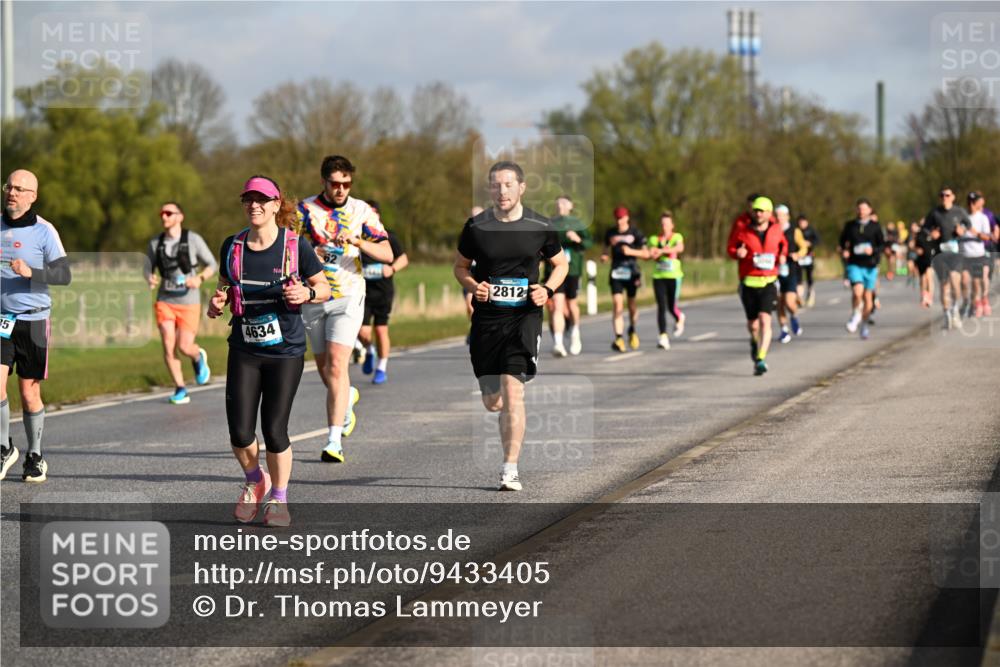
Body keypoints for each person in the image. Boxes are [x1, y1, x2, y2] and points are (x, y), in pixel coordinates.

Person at [207, 175, 329, 527]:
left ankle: (279, 498)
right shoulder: (232, 246)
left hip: (285, 349)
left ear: (277, 205)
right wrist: (216, 303)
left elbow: (323, 287)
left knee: (275, 430)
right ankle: (253, 480)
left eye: (262, 199)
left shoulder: (295, 246)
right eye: (248, 199)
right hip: (244, 347)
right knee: (240, 433)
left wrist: (306, 294)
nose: (254, 205)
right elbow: (224, 287)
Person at [453, 161, 567, 491]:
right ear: (489, 189)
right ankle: (494, 399)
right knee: (495, 401)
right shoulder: (476, 226)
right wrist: (475, 287)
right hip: (487, 320)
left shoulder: (540, 225)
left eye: (508, 185)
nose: (502, 191)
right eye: (496, 185)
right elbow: (460, 267)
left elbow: (560, 264)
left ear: (521, 187)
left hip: (524, 317)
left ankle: (510, 468)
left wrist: (547, 289)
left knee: (513, 391)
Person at [297, 155, 392, 463]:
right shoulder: (305, 210)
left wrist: (358, 241)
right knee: (326, 370)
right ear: (323, 181)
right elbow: (286, 248)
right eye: (335, 184)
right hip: (314, 297)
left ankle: (333, 441)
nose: (340, 190)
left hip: (349, 295)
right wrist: (313, 251)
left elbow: (387, 253)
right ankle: (347, 397)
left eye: (346, 184)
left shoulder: (362, 210)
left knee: (338, 366)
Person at [0, 169, 72, 483]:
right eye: (8, 186)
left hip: (35, 320)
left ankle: (35, 455)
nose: (11, 192)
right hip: (2, 319)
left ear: (32, 196)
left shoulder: (45, 231)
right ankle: (4, 447)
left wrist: (32, 272)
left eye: (19, 188)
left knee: (29, 394)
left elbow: (64, 275)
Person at [144, 202, 218, 405]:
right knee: (168, 343)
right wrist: (149, 278)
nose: (164, 216)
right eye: (162, 213)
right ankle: (180, 388)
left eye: (169, 213)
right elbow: (147, 267)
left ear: (180, 216)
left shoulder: (193, 239)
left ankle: (197, 357)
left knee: (185, 346)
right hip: (165, 300)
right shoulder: (155, 243)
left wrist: (199, 279)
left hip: (188, 301)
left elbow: (212, 264)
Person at [727, 196, 786, 376]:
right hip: (749, 282)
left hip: (768, 280)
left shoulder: (776, 230)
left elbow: (784, 245)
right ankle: (754, 342)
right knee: (753, 325)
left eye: (762, 211)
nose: (758, 214)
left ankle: (761, 358)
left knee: (765, 319)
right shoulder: (743, 231)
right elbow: (731, 248)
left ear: (769, 213)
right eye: (756, 211)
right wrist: (738, 252)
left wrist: (782, 256)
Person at [358, 200, 408, 384]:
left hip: (383, 291)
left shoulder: (388, 236)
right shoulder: (357, 236)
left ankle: (381, 367)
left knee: (380, 330)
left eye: (373, 213)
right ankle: (369, 350)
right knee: (362, 332)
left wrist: (392, 269)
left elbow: (403, 259)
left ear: (378, 215)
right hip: (362, 291)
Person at [545, 195, 591, 357]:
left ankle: (575, 333)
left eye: (564, 203)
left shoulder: (577, 223)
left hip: (573, 269)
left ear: (571, 206)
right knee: (557, 305)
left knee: (571, 303)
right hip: (554, 270)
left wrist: (578, 239)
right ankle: (558, 343)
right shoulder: (550, 223)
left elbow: (588, 242)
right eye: (558, 203)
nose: (561, 206)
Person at [923, 187, 971, 329]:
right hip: (940, 252)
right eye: (942, 195)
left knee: (955, 283)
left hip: (955, 251)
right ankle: (947, 315)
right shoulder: (935, 212)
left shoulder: (959, 211)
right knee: (944, 285)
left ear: (953, 197)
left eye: (947, 195)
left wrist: (962, 230)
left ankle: (955, 308)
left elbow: (968, 224)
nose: (944, 197)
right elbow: (925, 227)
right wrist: (932, 233)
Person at [602, 206, 649, 351]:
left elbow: (646, 254)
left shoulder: (636, 233)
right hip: (616, 272)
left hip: (632, 272)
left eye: (622, 218)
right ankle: (619, 338)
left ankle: (633, 330)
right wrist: (604, 256)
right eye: (617, 218)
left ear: (627, 217)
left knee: (631, 305)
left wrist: (631, 251)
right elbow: (605, 249)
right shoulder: (610, 233)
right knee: (617, 304)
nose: (619, 221)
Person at [839, 198, 885, 340]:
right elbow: (842, 242)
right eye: (859, 208)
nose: (861, 211)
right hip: (854, 263)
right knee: (857, 291)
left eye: (864, 209)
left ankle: (864, 324)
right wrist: (844, 251)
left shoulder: (875, 226)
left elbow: (882, 245)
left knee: (867, 298)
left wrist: (873, 250)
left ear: (870, 210)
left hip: (870, 265)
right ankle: (855, 314)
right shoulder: (850, 226)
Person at [646, 211, 686, 350]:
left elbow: (680, 247)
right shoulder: (654, 239)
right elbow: (651, 251)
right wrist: (654, 252)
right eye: (662, 224)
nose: (664, 227)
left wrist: (662, 251)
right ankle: (663, 336)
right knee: (661, 306)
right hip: (659, 276)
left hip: (674, 276)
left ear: (672, 225)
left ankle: (679, 317)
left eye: (667, 224)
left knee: (671, 306)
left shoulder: (676, 237)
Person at [775, 204, 806, 343]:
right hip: (775, 270)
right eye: (777, 215)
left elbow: (803, 247)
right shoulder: (772, 230)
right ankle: (784, 330)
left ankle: (794, 315)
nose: (779, 218)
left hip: (791, 269)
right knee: (778, 301)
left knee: (789, 301)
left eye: (782, 215)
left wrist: (798, 255)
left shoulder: (795, 231)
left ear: (787, 216)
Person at [962, 192, 992, 318]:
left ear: (977, 204)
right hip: (965, 255)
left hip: (978, 254)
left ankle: (982, 300)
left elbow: (987, 237)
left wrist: (976, 233)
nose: (971, 205)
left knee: (980, 281)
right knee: (968, 282)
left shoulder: (983, 218)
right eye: (969, 203)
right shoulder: (962, 218)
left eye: (973, 203)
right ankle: (974, 303)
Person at [463, 206, 484, 346]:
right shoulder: (468, 233)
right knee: (470, 307)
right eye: (473, 215)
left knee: (481, 307)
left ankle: (480, 331)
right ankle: (475, 329)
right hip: (471, 275)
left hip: (483, 275)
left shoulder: (490, 232)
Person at [796, 214, 820, 307]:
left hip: (808, 257)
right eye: (800, 222)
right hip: (799, 257)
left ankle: (810, 293)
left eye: (803, 222)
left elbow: (818, 241)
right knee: (799, 277)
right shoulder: (796, 231)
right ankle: (800, 297)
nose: (802, 224)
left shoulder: (811, 230)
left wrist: (810, 243)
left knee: (809, 276)